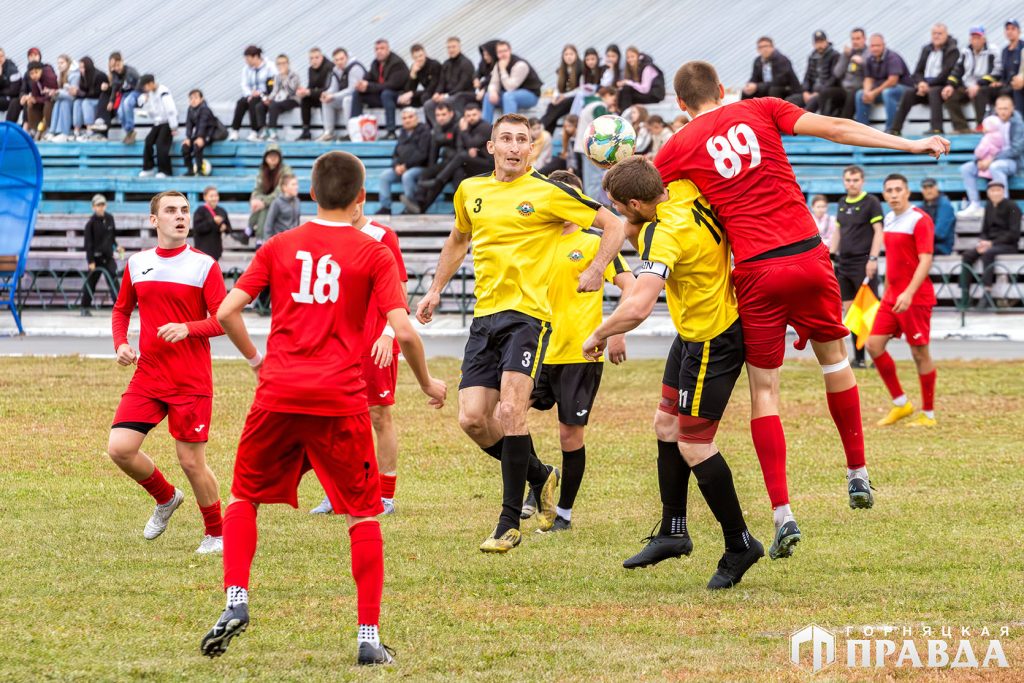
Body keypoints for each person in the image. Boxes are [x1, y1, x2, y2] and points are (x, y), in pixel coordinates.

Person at [657, 60, 948, 557]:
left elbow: (642, 196)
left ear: (680, 105)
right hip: (809, 256)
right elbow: (837, 127)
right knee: (835, 362)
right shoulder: (761, 107)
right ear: (723, 88)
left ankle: (782, 513)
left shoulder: (677, 147)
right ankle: (857, 472)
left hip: (756, 271)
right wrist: (911, 144)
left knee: (765, 390)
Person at [200, 150, 446, 664]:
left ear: (311, 193)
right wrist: (427, 383)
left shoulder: (280, 244)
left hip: (279, 392)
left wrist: (255, 359)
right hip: (341, 397)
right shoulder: (373, 251)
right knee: (362, 513)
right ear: (360, 198)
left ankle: (237, 600)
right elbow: (402, 330)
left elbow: (225, 310)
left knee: (244, 496)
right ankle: (367, 638)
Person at [415, 113, 625, 553]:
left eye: (522, 140)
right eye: (505, 139)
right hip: (484, 318)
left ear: (532, 149)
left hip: (529, 318)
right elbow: (458, 239)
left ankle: (509, 523)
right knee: (473, 418)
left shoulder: (549, 192)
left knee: (512, 411)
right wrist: (435, 289)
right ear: (491, 147)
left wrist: (596, 267)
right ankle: (539, 474)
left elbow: (614, 224)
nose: (513, 146)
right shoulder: (471, 191)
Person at [584, 155, 764, 588]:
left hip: (712, 340)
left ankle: (740, 543)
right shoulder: (683, 189)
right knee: (665, 425)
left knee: (695, 445)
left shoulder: (666, 235)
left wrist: (599, 334)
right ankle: (673, 530)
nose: (620, 217)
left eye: (619, 208)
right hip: (691, 333)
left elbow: (640, 307)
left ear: (635, 202)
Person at [107, 191, 226, 556]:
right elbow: (121, 309)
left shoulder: (205, 265)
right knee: (120, 449)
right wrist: (121, 344)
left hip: (190, 379)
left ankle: (217, 534)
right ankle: (166, 497)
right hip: (149, 375)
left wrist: (189, 328)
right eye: (171, 211)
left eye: (185, 211)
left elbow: (224, 320)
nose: (180, 216)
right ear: (153, 220)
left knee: (191, 462)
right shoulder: (137, 263)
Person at [519, 170, 634, 531]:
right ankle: (539, 478)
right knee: (507, 414)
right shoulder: (535, 241)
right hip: (537, 350)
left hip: (579, 353)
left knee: (570, 434)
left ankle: (564, 513)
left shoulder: (597, 242)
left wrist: (615, 333)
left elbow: (630, 288)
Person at [311, 211, 410, 517]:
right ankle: (337, 492)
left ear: (361, 196)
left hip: (374, 341)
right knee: (332, 417)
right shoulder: (324, 237)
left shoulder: (382, 236)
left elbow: (400, 289)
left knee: (378, 415)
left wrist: (388, 333)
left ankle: (385, 495)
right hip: (336, 342)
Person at [867, 174, 938, 427]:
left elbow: (926, 259)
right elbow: (895, 259)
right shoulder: (888, 218)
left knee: (920, 353)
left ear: (907, 192)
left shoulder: (920, 220)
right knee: (873, 345)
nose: (894, 194)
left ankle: (928, 414)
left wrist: (908, 292)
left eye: (898, 189)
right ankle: (901, 404)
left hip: (915, 298)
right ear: (884, 195)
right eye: (889, 190)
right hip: (891, 297)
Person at [833, 165, 884, 368]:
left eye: (855, 180)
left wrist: (873, 259)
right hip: (844, 264)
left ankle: (877, 356)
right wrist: (830, 255)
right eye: (848, 180)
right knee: (852, 313)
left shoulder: (871, 202)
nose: (851, 183)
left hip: (864, 263)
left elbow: (879, 232)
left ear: (862, 181)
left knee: (869, 312)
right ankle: (859, 358)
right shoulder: (841, 203)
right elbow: (838, 231)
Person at [416, 101, 493, 212]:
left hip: (488, 165)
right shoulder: (466, 126)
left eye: (474, 115)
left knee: (461, 157)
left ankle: (438, 181)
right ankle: (456, 208)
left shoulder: (484, 127)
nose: (471, 118)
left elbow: (471, 143)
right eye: (468, 115)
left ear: (480, 114)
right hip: (471, 163)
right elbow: (462, 145)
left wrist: (465, 132)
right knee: (458, 171)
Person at [957, 95, 1024, 218]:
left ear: (1012, 108)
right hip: (990, 159)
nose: (1003, 112)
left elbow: (1016, 150)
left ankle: (1004, 208)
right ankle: (975, 205)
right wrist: (978, 161)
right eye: (1000, 108)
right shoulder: (992, 122)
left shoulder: (1018, 123)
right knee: (966, 168)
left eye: (1006, 108)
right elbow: (985, 143)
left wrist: (992, 159)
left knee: (995, 167)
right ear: (996, 109)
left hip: (1012, 162)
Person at [959, 181, 1022, 308]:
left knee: (988, 254)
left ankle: (987, 292)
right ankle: (964, 293)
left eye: (998, 190)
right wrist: (983, 242)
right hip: (990, 244)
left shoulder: (1012, 206)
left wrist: (991, 243)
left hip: (1008, 245)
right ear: (988, 193)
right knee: (967, 255)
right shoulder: (988, 206)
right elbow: (984, 231)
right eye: (992, 191)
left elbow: (1014, 234)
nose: (995, 193)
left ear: (1003, 192)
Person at [889, 24, 960, 136]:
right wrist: (921, 83)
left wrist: (927, 85)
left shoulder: (953, 50)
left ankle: (936, 129)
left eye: (940, 34)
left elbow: (945, 74)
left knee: (934, 91)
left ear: (946, 35)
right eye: (934, 34)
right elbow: (917, 72)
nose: (936, 36)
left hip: (942, 86)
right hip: (925, 86)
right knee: (908, 93)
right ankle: (895, 129)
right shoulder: (926, 49)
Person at [942, 27, 999, 133]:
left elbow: (995, 72)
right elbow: (957, 70)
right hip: (966, 86)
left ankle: (980, 126)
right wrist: (949, 85)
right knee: (949, 95)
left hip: (983, 86)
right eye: (973, 37)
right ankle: (962, 127)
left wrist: (978, 84)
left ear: (984, 39)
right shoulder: (965, 51)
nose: (975, 40)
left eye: (978, 37)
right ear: (970, 39)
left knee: (980, 92)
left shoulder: (992, 51)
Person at [854, 34, 913, 132]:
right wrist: (867, 92)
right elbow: (868, 78)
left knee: (888, 92)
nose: (875, 48)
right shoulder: (870, 59)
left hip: (904, 90)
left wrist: (873, 93)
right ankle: (862, 130)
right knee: (860, 94)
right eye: (872, 46)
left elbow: (892, 81)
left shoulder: (893, 57)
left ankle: (891, 129)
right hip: (882, 90)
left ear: (884, 45)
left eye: (878, 45)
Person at [352, 39, 409, 140]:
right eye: (376, 49)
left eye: (382, 48)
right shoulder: (375, 63)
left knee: (386, 94)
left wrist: (368, 86)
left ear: (388, 50)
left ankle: (391, 132)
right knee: (358, 93)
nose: (379, 51)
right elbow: (369, 77)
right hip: (381, 95)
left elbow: (392, 85)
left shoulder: (397, 63)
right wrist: (362, 84)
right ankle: (354, 129)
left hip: (398, 96)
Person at [377, 107, 430, 215]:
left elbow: (422, 154)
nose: (407, 120)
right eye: (404, 118)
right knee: (384, 176)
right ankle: (386, 207)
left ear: (417, 118)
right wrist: (396, 165)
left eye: (410, 117)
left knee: (407, 176)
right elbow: (396, 154)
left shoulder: (425, 132)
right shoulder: (402, 133)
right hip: (402, 167)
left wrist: (406, 166)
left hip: (420, 168)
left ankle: (411, 206)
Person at [410, 102, 458, 212]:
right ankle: (419, 204)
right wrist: (432, 168)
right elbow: (434, 148)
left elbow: (452, 141)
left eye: (443, 114)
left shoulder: (459, 124)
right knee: (428, 174)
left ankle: (458, 211)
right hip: (447, 163)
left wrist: (442, 138)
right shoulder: (438, 127)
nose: (440, 118)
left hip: (461, 164)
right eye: (438, 115)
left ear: (451, 114)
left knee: (443, 180)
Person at [482, 41, 542, 123]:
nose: (503, 54)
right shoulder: (498, 64)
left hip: (531, 95)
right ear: (496, 54)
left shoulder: (520, 65)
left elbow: (510, 87)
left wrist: (503, 70)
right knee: (488, 96)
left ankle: (508, 129)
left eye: (505, 51)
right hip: (510, 95)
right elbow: (493, 83)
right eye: (500, 52)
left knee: (508, 96)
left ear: (510, 50)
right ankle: (484, 129)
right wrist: (493, 92)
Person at [424, 36, 476, 125]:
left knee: (447, 101)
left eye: (453, 47)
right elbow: (441, 82)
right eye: (449, 47)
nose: (451, 50)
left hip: (464, 94)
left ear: (459, 47)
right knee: (428, 104)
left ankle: (454, 127)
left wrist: (446, 96)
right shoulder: (446, 63)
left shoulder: (466, 63)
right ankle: (439, 128)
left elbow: (462, 85)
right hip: (449, 95)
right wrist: (437, 93)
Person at [81, 194, 119, 315]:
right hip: (96, 258)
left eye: (102, 205)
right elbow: (88, 245)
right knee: (91, 282)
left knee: (113, 279)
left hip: (108, 257)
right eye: (98, 205)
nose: (100, 207)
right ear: (93, 207)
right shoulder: (90, 224)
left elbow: (112, 237)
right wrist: (90, 261)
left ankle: (120, 308)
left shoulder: (110, 218)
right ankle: (84, 307)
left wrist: (117, 246)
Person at [789, 30, 843, 115]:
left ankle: (802, 124)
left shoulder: (835, 55)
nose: (820, 45)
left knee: (810, 106)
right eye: (817, 42)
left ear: (826, 41)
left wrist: (818, 92)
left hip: (825, 91)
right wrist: (805, 91)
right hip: (811, 92)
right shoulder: (812, 57)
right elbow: (807, 77)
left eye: (821, 42)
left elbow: (834, 78)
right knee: (791, 100)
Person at [318, 48, 365, 142]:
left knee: (347, 100)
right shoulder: (336, 70)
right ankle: (328, 132)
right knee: (327, 101)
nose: (339, 62)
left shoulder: (355, 67)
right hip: (346, 97)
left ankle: (350, 133)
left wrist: (333, 96)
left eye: (341, 59)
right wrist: (327, 93)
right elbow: (333, 88)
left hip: (361, 98)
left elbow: (352, 90)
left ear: (346, 58)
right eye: (336, 60)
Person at [137, 74, 177, 179]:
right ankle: (148, 168)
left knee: (161, 144)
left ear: (151, 83)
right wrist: (144, 102)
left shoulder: (163, 91)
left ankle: (165, 171)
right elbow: (147, 108)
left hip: (167, 123)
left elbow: (170, 109)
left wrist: (173, 126)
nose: (145, 89)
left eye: (145, 86)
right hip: (157, 123)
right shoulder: (149, 94)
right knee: (148, 141)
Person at [247, 148, 292, 242]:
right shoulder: (263, 169)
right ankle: (257, 238)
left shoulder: (286, 170)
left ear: (280, 157)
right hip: (268, 201)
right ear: (265, 158)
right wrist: (254, 199)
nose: (273, 158)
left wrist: (263, 202)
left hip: (284, 201)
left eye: (275, 155)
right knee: (261, 206)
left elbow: (280, 191)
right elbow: (257, 188)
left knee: (265, 208)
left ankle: (251, 233)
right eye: (270, 155)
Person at [229, 46, 272, 142]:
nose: (246, 61)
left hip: (264, 95)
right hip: (251, 94)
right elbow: (244, 84)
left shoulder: (269, 66)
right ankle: (235, 130)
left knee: (254, 102)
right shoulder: (246, 69)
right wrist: (249, 94)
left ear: (256, 57)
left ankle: (254, 131)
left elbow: (272, 82)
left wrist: (259, 93)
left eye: (248, 59)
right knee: (240, 103)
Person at [540, 45, 583, 134]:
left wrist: (564, 96)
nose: (569, 57)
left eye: (571, 54)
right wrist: (555, 97)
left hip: (575, 99)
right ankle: (545, 134)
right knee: (552, 105)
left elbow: (581, 89)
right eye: (566, 54)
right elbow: (558, 88)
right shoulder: (562, 70)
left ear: (576, 55)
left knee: (556, 107)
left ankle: (540, 127)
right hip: (564, 99)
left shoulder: (581, 68)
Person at [741, 37, 801, 101]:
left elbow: (779, 81)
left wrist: (757, 86)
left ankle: (773, 110)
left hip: (786, 89)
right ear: (758, 49)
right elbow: (754, 77)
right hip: (766, 87)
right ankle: (746, 110)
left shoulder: (782, 60)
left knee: (774, 90)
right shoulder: (758, 61)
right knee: (746, 92)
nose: (764, 49)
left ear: (772, 47)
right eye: (761, 47)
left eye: (766, 46)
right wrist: (749, 85)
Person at [296, 47, 331, 141]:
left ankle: (327, 131)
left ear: (322, 57)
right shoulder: (310, 70)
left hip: (328, 97)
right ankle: (306, 131)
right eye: (311, 58)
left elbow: (328, 88)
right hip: (318, 96)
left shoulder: (329, 67)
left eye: (316, 57)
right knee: (305, 99)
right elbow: (311, 87)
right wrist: (304, 91)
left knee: (324, 100)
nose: (314, 60)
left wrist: (309, 92)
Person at [264, 54, 301, 141]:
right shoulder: (277, 76)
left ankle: (273, 132)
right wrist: (269, 98)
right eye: (279, 64)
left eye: (284, 63)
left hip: (292, 99)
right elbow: (275, 90)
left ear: (288, 63)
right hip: (280, 100)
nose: (281, 66)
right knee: (262, 105)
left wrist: (284, 78)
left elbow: (291, 91)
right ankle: (264, 130)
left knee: (274, 105)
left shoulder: (294, 75)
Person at [834, 28, 868, 119]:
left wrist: (861, 62)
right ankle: (824, 124)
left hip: (859, 87)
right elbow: (837, 73)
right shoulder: (848, 53)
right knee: (827, 93)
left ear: (864, 39)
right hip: (845, 88)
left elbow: (871, 73)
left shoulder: (869, 53)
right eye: (853, 39)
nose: (855, 41)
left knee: (853, 93)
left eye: (858, 39)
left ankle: (844, 122)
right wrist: (846, 56)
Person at [182, 89, 217, 176]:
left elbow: (203, 124)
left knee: (197, 145)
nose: (193, 100)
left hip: (210, 133)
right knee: (185, 146)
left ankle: (199, 170)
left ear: (201, 99)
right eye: (191, 98)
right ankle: (190, 170)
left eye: (196, 98)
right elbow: (189, 125)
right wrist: (188, 138)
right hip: (199, 133)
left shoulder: (205, 109)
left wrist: (201, 137)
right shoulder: (190, 109)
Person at [192, 186, 231, 261]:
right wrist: (213, 221)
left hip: (216, 250)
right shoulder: (200, 211)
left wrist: (225, 227)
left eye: (216, 195)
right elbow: (197, 228)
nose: (214, 198)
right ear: (205, 197)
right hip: (202, 250)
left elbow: (229, 228)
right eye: (211, 196)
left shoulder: (221, 211)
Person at [46, 54, 79, 141]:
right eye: (58, 63)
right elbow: (63, 92)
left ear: (68, 63)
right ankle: (53, 131)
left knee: (64, 102)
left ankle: (64, 132)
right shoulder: (61, 75)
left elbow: (73, 94)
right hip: (67, 99)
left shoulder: (74, 75)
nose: (59, 65)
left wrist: (57, 92)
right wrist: (54, 93)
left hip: (75, 101)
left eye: (62, 63)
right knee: (58, 102)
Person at [919, 178, 956, 255]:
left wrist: (919, 238)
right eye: (925, 188)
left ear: (937, 188)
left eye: (931, 187)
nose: (928, 191)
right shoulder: (920, 207)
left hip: (942, 247)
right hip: (926, 244)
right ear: (922, 190)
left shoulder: (945, 205)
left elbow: (939, 233)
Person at [396, 44, 441, 108]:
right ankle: (409, 117)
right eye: (416, 57)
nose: (419, 59)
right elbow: (409, 90)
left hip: (437, 92)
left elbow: (432, 88)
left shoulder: (434, 65)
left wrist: (413, 94)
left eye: (421, 56)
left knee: (425, 97)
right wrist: (413, 74)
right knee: (405, 99)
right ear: (412, 58)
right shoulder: (415, 67)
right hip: (426, 93)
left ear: (425, 54)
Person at [73, 57, 106, 141]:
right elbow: (84, 92)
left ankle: (89, 129)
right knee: (77, 102)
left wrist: (80, 93)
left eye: (82, 68)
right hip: (89, 98)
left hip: (99, 100)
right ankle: (76, 130)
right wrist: (76, 92)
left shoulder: (99, 75)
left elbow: (96, 93)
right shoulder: (83, 76)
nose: (81, 70)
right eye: (79, 68)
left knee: (86, 102)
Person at [263, 174, 302, 239]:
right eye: (293, 184)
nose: (296, 187)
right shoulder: (276, 203)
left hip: (293, 241)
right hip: (279, 242)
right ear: (284, 187)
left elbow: (297, 223)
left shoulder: (297, 201)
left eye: (297, 184)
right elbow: (268, 225)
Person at [0, 48, 20, 118]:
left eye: (1, 56)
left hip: (12, 99)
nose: (0, 59)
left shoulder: (12, 69)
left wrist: (1, 92)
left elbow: (14, 91)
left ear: (5, 56)